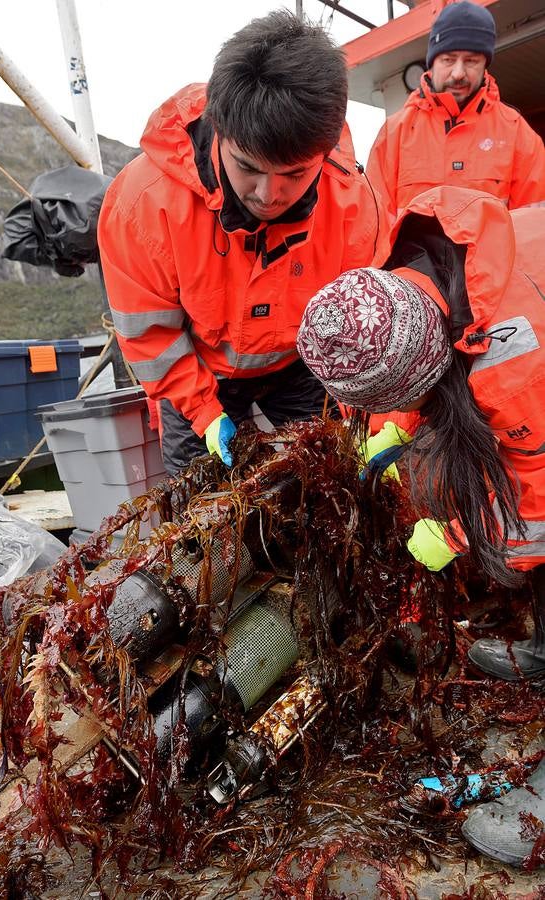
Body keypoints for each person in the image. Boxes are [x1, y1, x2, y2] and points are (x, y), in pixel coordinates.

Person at [296, 185, 545, 867]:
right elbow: (421, 352)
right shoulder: (419, 275)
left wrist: (462, 537)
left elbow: (541, 510)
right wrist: (390, 427)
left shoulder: (513, 358)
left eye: (401, 399)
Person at [98, 11, 385, 475]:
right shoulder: (142, 204)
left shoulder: (353, 203)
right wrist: (206, 415)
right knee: (197, 520)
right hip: (197, 370)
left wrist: (371, 422)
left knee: (333, 483)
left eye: (294, 174)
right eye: (248, 167)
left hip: (301, 367)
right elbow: (150, 336)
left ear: (326, 148)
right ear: (220, 128)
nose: (268, 195)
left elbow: (362, 339)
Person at [367, 1, 545, 223]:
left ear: (485, 65)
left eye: (471, 61)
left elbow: (532, 230)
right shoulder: (393, 135)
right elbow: (372, 229)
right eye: (448, 60)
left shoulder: (519, 135)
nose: (458, 73)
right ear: (432, 63)